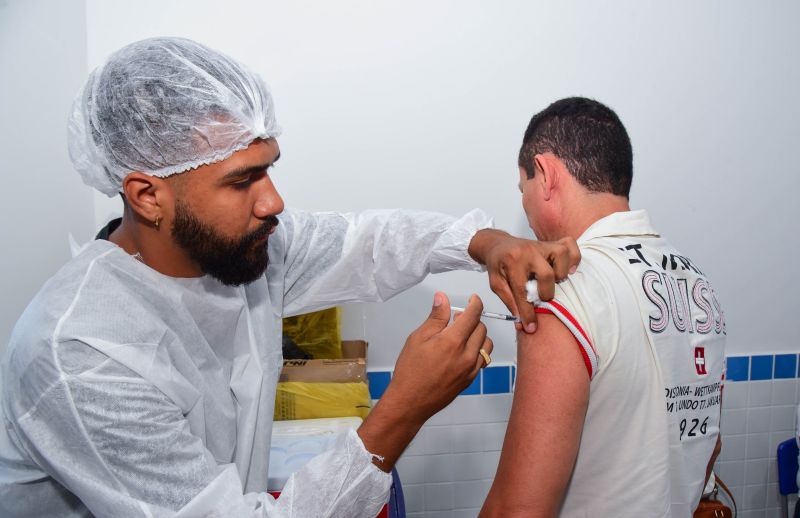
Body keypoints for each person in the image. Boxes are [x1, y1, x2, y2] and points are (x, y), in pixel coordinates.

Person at [0, 38, 579, 517]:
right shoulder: (79, 356)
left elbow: (368, 241)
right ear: (148, 195)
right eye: (241, 181)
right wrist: (403, 407)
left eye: (269, 168)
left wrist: (489, 244)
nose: (273, 201)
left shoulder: (244, 249)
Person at [480, 97, 726, 517]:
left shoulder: (566, 289)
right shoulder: (697, 282)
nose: (526, 207)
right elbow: (707, 449)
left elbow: (517, 511)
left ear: (546, 174)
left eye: (524, 191)